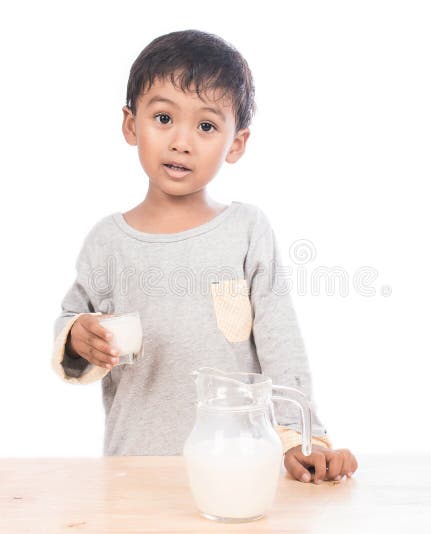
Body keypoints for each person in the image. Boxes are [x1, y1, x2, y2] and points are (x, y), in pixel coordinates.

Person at [51, 29, 358, 484]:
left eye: (207, 126)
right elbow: (73, 320)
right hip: (135, 469)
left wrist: (303, 440)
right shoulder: (107, 242)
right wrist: (78, 336)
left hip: (237, 466)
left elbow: (280, 342)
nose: (182, 142)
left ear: (236, 144)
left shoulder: (246, 230)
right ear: (131, 124)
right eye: (162, 118)